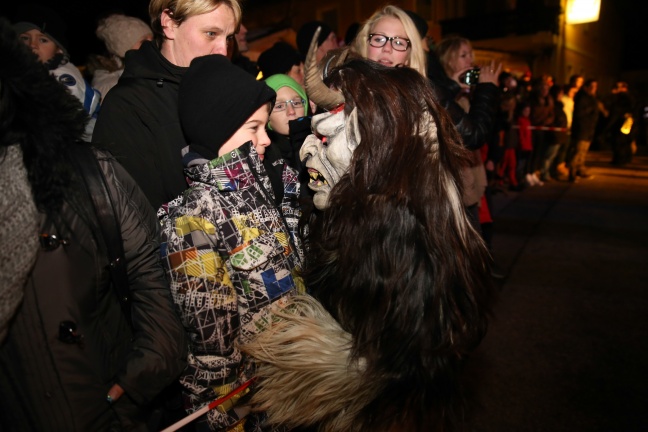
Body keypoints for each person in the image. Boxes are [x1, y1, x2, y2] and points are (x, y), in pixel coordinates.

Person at [242, 53, 493, 431]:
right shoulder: (349, 222)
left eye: (332, 134)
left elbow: (412, 359)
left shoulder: (412, 242)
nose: (311, 147)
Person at [0, 18, 187, 430]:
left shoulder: (86, 172)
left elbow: (151, 272)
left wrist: (139, 379)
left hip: (113, 408)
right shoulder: (122, 102)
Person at [159, 54, 305, 431]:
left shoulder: (260, 190)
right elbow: (213, 346)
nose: (265, 138)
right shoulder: (189, 219)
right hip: (249, 406)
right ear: (217, 126)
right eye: (253, 127)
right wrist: (229, 420)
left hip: (292, 388)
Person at [92, 0, 242, 210]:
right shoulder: (126, 106)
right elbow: (135, 214)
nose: (223, 51)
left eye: (228, 37)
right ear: (170, 23)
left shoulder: (224, 88)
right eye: (210, 33)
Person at [12, 4, 101, 140]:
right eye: (24, 38)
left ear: (59, 49)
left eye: (43, 40)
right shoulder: (24, 75)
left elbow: (55, 126)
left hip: (79, 153)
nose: (32, 45)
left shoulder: (63, 77)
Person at [90, 13, 153, 100]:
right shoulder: (110, 87)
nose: (151, 45)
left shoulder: (143, 71)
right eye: (143, 41)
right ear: (123, 49)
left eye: (152, 39)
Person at [352, 5, 427, 77]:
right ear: (366, 44)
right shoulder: (345, 86)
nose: (387, 48)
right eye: (379, 39)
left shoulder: (420, 89)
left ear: (409, 55)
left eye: (398, 43)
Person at [567, 78, 600, 181]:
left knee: (583, 152)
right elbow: (580, 113)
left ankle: (580, 170)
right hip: (582, 129)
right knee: (577, 151)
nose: (594, 89)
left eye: (595, 87)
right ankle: (572, 173)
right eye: (592, 86)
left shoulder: (591, 97)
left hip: (589, 129)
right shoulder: (582, 97)